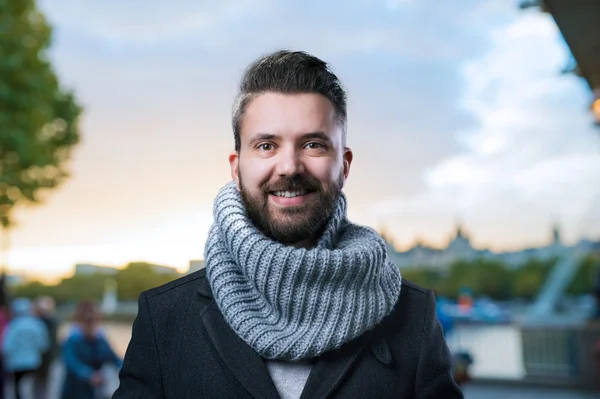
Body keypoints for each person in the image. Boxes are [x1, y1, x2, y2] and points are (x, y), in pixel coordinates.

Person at [113, 50, 463, 398]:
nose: (289, 166)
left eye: (313, 144)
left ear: (344, 165)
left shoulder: (414, 317)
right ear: (236, 168)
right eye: (266, 145)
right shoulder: (163, 320)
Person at [61, 300, 122, 399]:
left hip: (96, 389)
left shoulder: (101, 338)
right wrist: (90, 375)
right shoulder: (72, 339)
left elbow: (114, 358)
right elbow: (72, 364)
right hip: (76, 389)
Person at [2, 298, 49, 399]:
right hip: (33, 362)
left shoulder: (13, 326)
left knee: (18, 389)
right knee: (31, 388)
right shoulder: (37, 324)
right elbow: (43, 345)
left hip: (16, 364)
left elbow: (6, 346)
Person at [33, 296, 60, 399]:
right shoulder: (52, 321)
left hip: (43, 355)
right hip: (47, 355)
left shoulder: (39, 321)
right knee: (43, 381)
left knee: (40, 380)